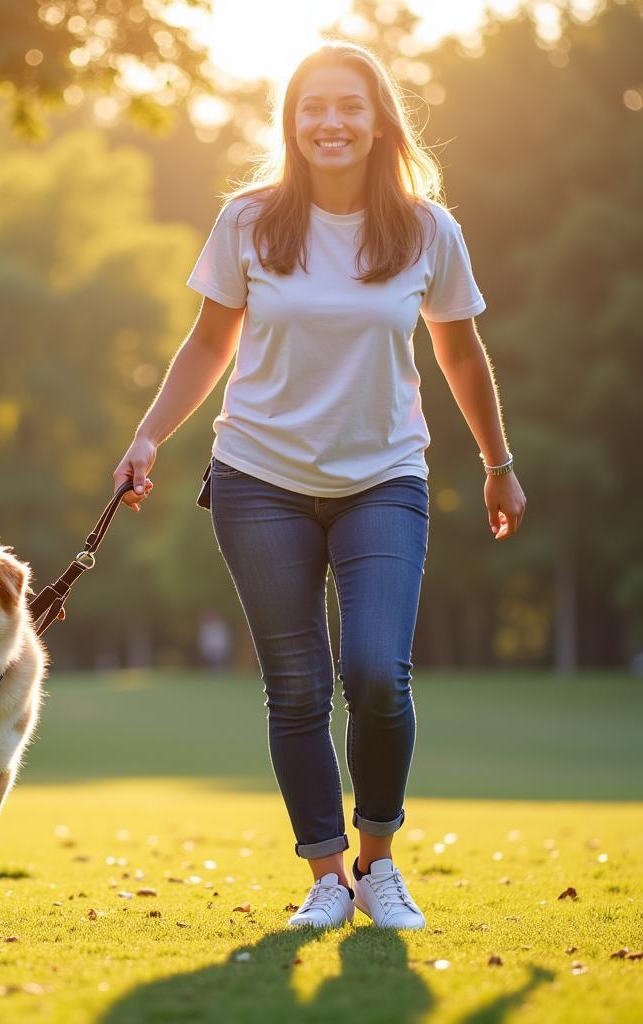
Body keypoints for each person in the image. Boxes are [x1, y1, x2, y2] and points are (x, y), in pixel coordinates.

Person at [112, 40, 527, 931]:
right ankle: (327, 878)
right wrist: (148, 437)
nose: (330, 123)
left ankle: (378, 863)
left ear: (379, 119)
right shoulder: (249, 222)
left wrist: (497, 462)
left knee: (377, 672)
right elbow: (208, 344)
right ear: (291, 123)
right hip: (258, 479)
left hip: (385, 476)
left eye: (349, 106)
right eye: (312, 108)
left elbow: (458, 352)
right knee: (296, 689)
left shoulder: (427, 230)